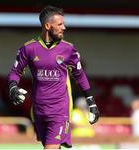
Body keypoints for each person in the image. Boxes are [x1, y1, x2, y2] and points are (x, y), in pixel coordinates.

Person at [8, 5, 99, 149]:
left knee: (50, 148)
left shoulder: (69, 49)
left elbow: (80, 75)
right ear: (48, 25)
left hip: (60, 111)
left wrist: (91, 103)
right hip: (38, 110)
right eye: (60, 24)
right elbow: (15, 71)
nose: (64, 28)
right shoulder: (29, 48)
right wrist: (13, 86)